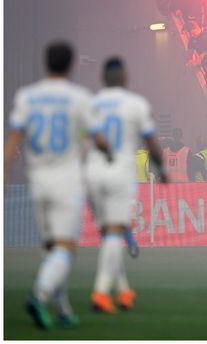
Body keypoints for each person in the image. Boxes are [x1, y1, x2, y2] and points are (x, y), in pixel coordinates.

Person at [4, 41, 111, 329]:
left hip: (37, 183)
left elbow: (12, 140)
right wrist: (107, 150)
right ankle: (39, 296)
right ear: (71, 65)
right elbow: (98, 137)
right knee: (65, 248)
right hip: (66, 183)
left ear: (46, 63)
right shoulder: (78, 98)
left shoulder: (28, 96)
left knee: (52, 248)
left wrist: (3, 174)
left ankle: (62, 309)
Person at [85, 58, 167, 314]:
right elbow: (151, 142)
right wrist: (162, 169)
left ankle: (123, 291)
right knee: (113, 233)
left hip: (93, 173)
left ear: (103, 77)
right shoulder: (136, 104)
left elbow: (82, 139)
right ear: (125, 76)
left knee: (109, 236)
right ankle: (100, 292)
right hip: (119, 174)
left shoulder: (92, 104)